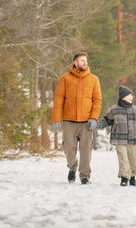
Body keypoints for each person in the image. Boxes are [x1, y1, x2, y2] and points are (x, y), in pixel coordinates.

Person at [51, 52, 102, 185]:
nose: (85, 63)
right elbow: (58, 100)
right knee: (68, 147)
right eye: (82, 61)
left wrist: (94, 118)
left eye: (86, 60)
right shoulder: (65, 78)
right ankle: (72, 167)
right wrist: (56, 118)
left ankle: (85, 176)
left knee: (86, 149)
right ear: (75, 63)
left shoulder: (93, 79)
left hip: (86, 122)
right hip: (69, 120)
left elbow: (97, 101)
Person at [97, 86, 136, 186]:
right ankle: (124, 177)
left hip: (132, 139)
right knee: (123, 158)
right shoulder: (114, 109)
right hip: (119, 139)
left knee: (132, 159)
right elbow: (106, 121)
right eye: (128, 95)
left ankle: (132, 176)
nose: (131, 97)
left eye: (132, 95)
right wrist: (96, 125)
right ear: (123, 97)